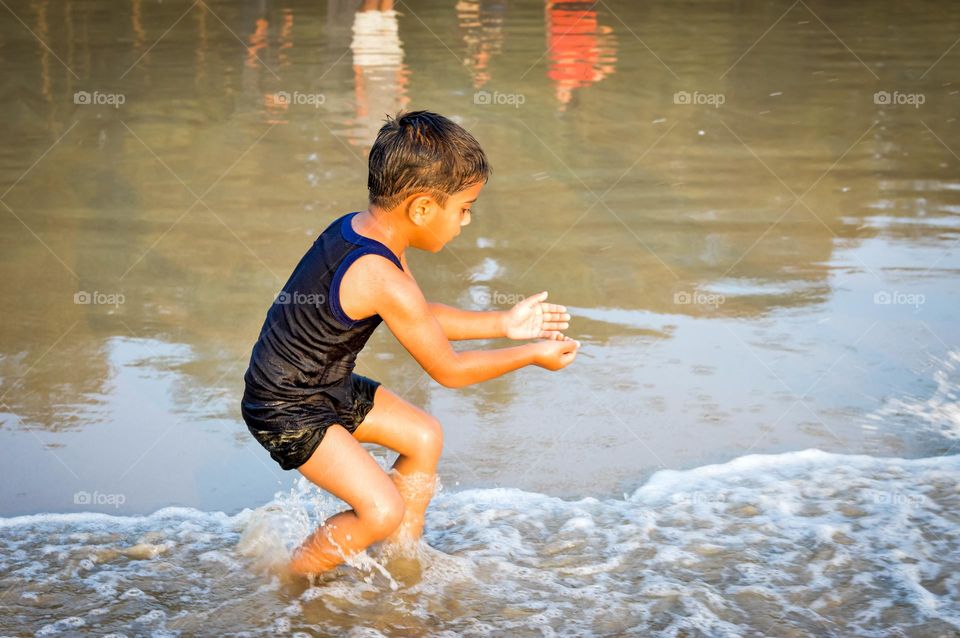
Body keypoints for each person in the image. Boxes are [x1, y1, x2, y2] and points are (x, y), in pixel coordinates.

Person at [241, 110, 580, 577]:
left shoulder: (364, 229)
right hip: (284, 405)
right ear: (422, 208)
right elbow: (450, 371)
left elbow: (420, 316)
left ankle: (402, 561)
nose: (465, 222)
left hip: (322, 385)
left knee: (424, 436)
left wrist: (505, 322)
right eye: (463, 209)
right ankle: (294, 584)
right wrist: (532, 354)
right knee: (379, 510)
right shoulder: (380, 273)